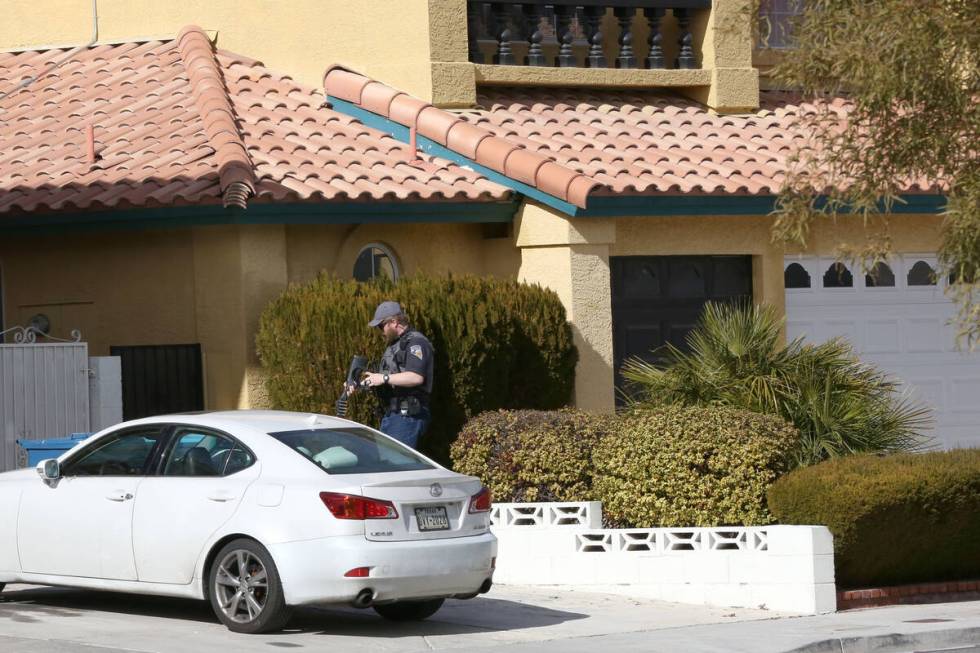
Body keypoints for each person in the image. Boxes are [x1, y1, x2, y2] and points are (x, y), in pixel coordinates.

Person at [356, 301, 434, 449]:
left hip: (408, 416)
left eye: (381, 326)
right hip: (394, 415)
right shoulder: (397, 345)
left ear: (394, 322)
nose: (381, 331)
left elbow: (416, 377)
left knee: (397, 466)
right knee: (387, 464)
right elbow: (392, 377)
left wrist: (384, 378)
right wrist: (363, 383)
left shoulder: (416, 343)